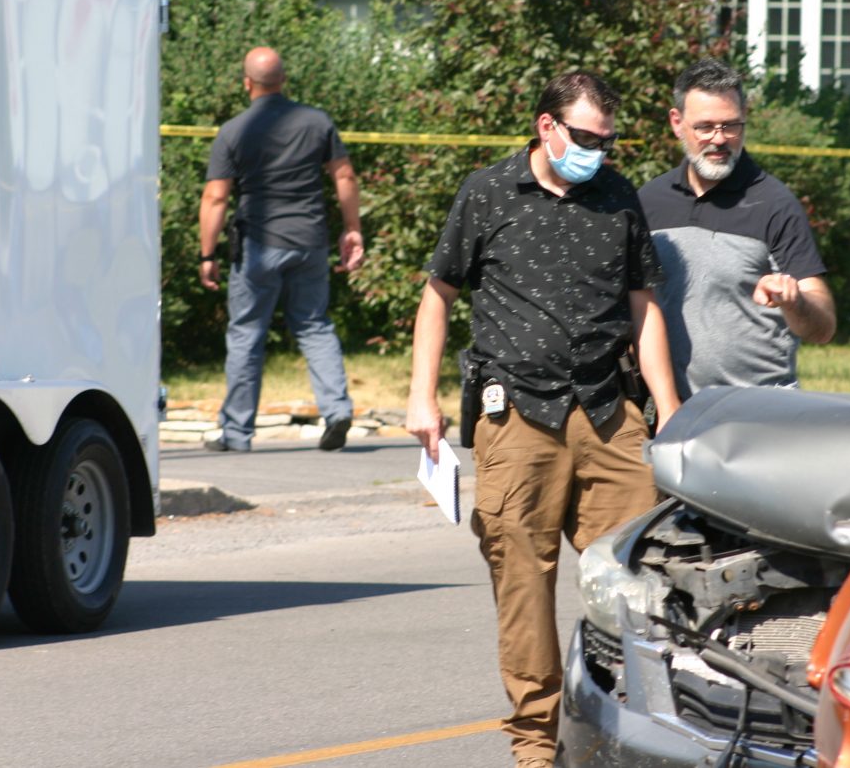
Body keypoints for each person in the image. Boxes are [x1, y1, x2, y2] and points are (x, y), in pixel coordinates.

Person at [406, 71, 681, 768]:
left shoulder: (617, 196)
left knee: (634, 577)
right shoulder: (488, 192)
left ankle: (633, 728)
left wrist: (668, 407)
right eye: (586, 136)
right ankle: (535, 744)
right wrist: (421, 397)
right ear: (546, 126)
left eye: (608, 140)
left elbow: (643, 305)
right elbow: (438, 294)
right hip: (517, 413)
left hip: (606, 408)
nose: (598, 151)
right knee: (524, 582)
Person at [198, 46, 365, 453]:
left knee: (247, 335)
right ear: (283, 80)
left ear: (247, 82)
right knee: (314, 325)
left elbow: (216, 198)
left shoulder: (233, 130)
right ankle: (337, 409)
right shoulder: (316, 121)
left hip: (257, 246)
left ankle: (236, 434)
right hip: (309, 241)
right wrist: (353, 230)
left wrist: (207, 254)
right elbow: (343, 175)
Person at [639, 58, 836, 399]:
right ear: (677, 122)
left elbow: (824, 326)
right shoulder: (649, 202)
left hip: (759, 413)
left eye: (731, 126)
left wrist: (794, 302)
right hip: (671, 413)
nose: (719, 139)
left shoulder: (774, 204)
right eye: (705, 127)